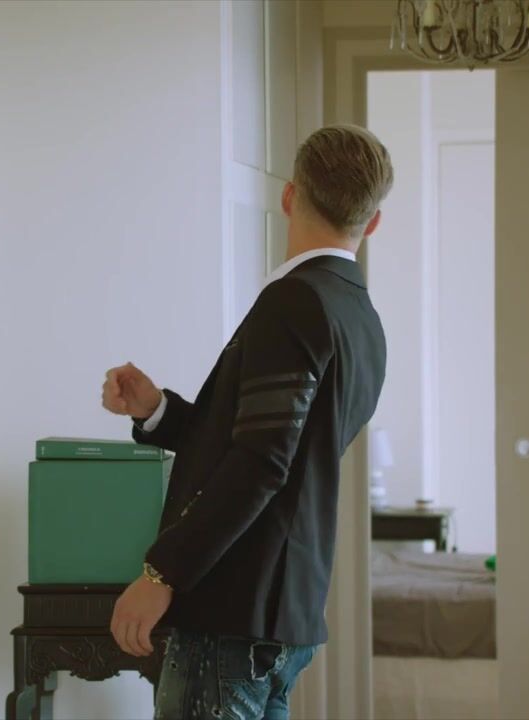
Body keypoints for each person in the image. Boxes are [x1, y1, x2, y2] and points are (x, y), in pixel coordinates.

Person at [100, 125, 392, 720]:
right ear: (373, 222)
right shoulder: (361, 317)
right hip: (285, 612)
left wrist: (162, 572)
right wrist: (157, 411)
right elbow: (272, 446)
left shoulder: (295, 301)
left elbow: (261, 462)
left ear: (289, 196)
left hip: (233, 613)